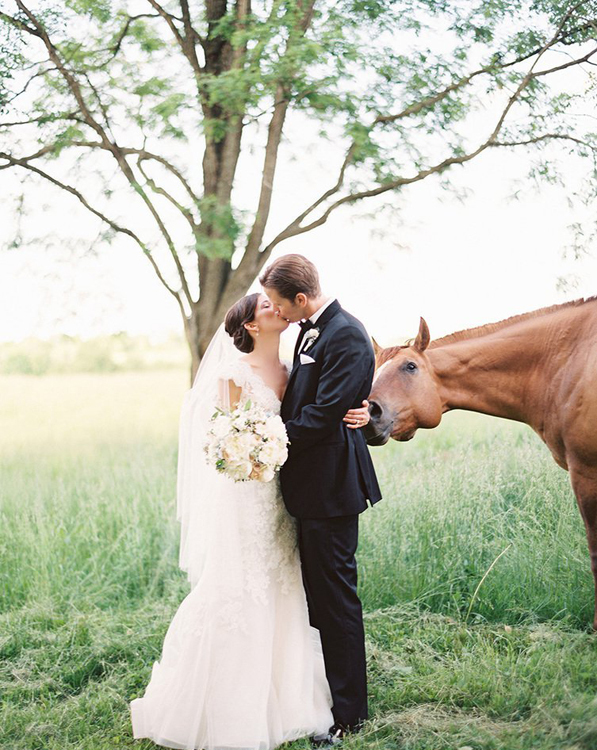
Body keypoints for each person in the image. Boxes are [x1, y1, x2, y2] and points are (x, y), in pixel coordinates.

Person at [130, 291, 371, 750]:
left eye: (278, 303)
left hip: (287, 498)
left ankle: (293, 700)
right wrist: (248, 450)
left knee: (287, 590)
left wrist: (360, 414)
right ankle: (229, 701)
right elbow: (223, 438)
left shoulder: (293, 362)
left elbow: (325, 404)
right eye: (266, 308)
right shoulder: (234, 374)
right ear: (252, 325)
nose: (277, 310)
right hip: (248, 499)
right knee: (242, 588)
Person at [260, 255, 382, 744]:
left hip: (331, 490)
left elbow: (324, 414)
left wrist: (263, 438)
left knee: (336, 603)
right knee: (320, 600)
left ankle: (351, 716)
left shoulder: (346, 334)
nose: (275, 311)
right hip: (311, 489)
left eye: (277, 304)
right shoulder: (310, 331)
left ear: (302, 299)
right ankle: (331, 694)